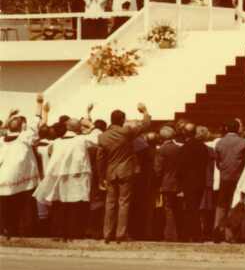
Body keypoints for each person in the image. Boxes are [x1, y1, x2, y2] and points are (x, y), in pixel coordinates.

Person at [33, 105, 97, 241]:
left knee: (60, 205)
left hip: (60, 178)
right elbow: (98, 137)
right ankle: (74, 233)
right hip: (77, 178)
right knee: (76, 206)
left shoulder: (56, 142)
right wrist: (91, 125)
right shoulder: (82, 140)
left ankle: (59, 233)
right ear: (78, 128)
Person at [97, 103, 151, 243]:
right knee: (123, 203)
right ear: (122, 120)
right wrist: (145, 112)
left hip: (111, 171)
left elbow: (100, 159)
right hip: (126, 170)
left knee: (110, 203)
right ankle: (120, 234)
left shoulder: (102, 137)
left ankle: (107, 233)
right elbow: (145, 126)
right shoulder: (126, 132)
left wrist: (101, 176)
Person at [0, 96, 49, 238]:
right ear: (22, 126)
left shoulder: (1, 140)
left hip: (3, 181)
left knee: (5, 209)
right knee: (25, 208)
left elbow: (3, 128)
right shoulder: (24, 138)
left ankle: (6, 230)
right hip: (23, 182)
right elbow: (36, 122)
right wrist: (39, 104)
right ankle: (26, 231)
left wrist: (9, 117)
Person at [213, 120, 245, 243]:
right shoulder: (243, 143)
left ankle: (217, 231)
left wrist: (224, 169)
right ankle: (231, 235)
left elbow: (217, 162)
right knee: (235, 206)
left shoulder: (220, 142)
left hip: (224, 177)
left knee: (221, 205)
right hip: (238, 178)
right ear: (238, 128)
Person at [154, 125, 182, 242]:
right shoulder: (178, 148)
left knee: (168, 209)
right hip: (177, 181)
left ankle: (170, 234)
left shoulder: (161, 150)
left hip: (166, 182)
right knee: (177, 208)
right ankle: (178, 233)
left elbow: (158, 169)